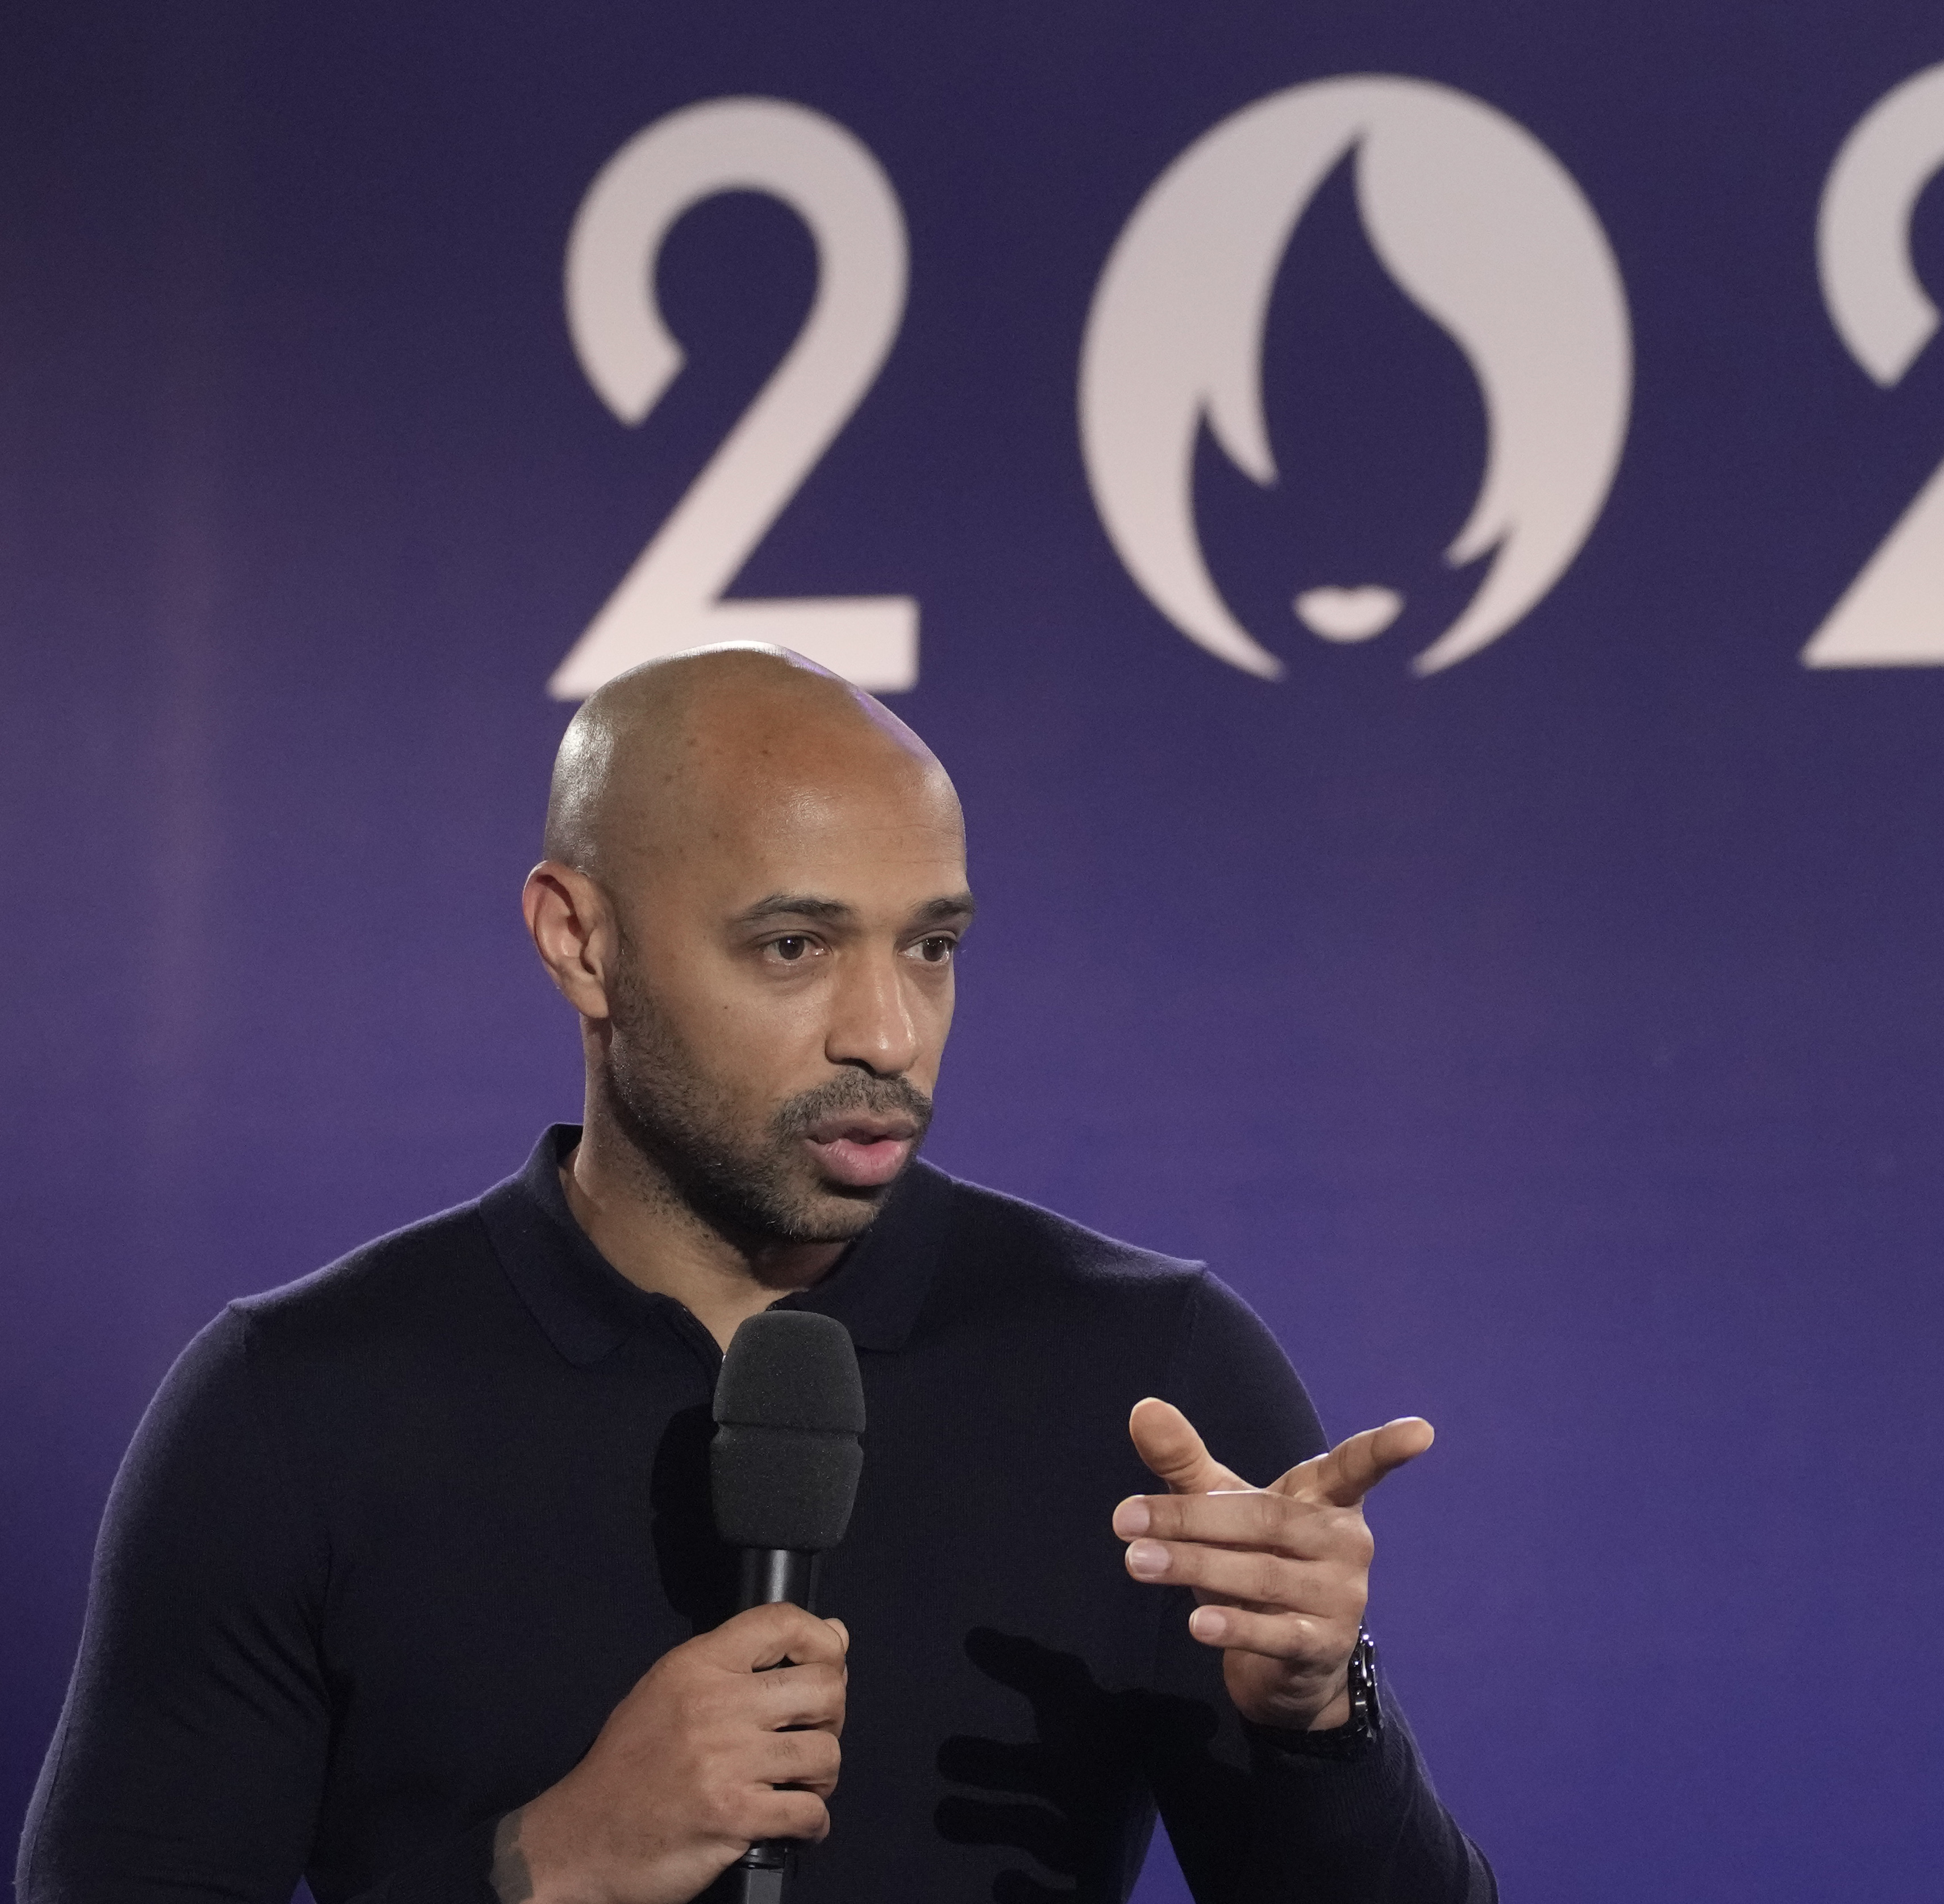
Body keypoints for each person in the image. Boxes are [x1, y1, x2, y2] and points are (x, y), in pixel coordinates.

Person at [18, 645, 1492, 1904]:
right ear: (580, 943)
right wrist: (543, 1869)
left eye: (931, 948)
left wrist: (1318, 1722)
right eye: (794, 946)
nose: (889, 1034)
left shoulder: (1147, 1371)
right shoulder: (296, 1407)